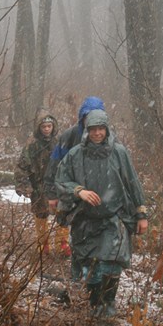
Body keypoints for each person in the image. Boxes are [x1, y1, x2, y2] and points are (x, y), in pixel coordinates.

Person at [54, 109, 148, 318]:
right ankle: (96, 302)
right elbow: (61, 180)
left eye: (101, 129)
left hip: (114, 217)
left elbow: (132, 182)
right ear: (86, 131)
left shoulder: (119, 152)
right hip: (85, 219)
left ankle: (108, 301)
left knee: (112, 261)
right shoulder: (76, 154)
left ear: (107, 129)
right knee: (89, 264)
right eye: (93, 129)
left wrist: (141, 213)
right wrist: (79, 191)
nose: (97, 133)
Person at [43, 96, 106, 266]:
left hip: (95, 193)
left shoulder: (107, 138)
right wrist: (51, 193)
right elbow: (54, 164)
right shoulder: (70, 136)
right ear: (82, 117)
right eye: (87, 117)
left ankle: (89, 261)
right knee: (64, 219)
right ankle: (64, 249)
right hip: (69, 188)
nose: (91, 123)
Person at [14, 108, 59, 254]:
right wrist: (23, 186)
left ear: (53, 127)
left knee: (63, 212)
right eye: (44, 127)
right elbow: (21, 166)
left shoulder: (59, 143)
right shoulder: (32, 146)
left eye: (49, 126)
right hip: (38, 185)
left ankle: (62, 243)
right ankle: (43, 243)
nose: (47, 129)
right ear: (39, 128)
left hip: (58, 185)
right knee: (41, 214)